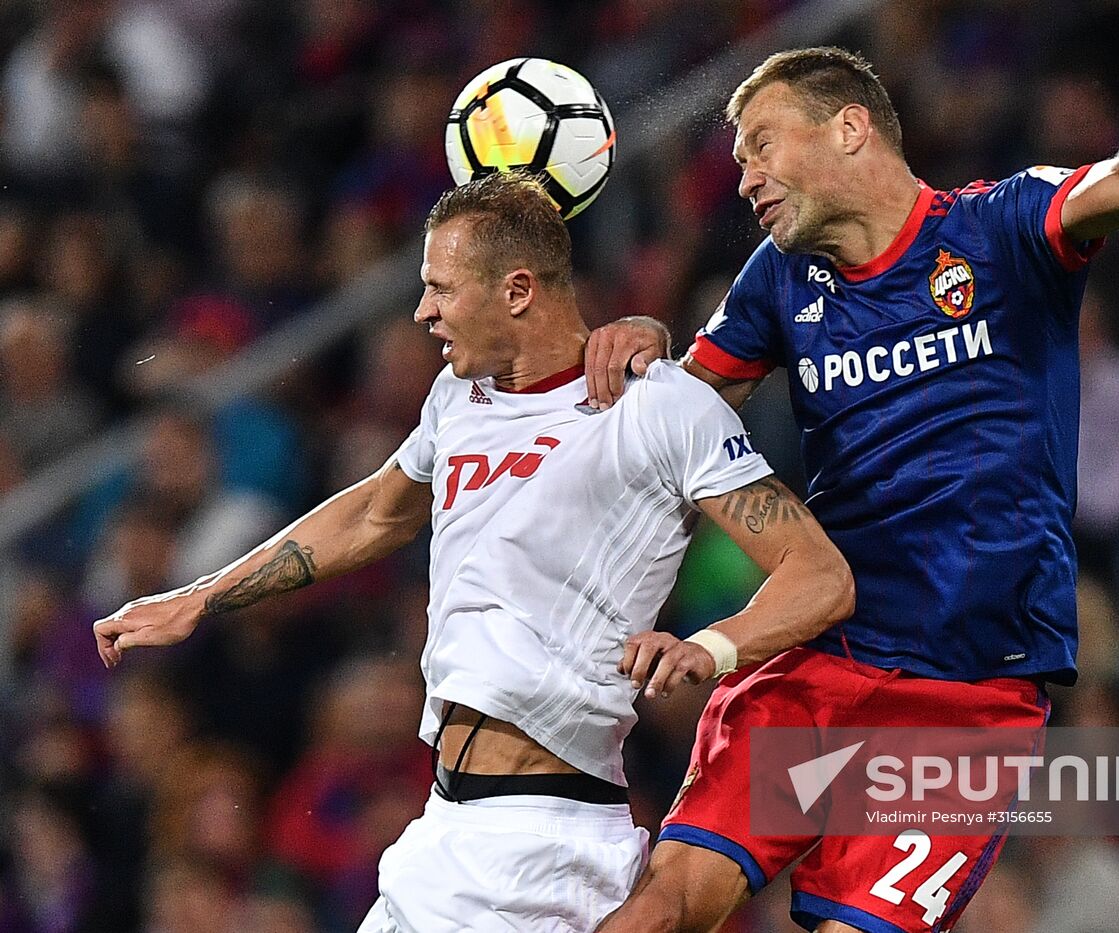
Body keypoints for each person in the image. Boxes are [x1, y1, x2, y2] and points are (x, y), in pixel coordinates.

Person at [587, 47, 1119, 933]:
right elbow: (674, 423)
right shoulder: (781, 279)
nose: (742, 176)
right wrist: (649, 354)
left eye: (760, 145)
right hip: (823, 662)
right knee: (665, 906)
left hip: (966, 702)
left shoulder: (1000, 228)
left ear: (850, 127)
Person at [93, 173, 854, 933]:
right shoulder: (457, 398)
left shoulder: (657, 408)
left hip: (540, 848)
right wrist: (199, 597)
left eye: (440, 289)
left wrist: (711, 647)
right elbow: (372, 512)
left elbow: (819, 575)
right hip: (442, 829)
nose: (423, 310)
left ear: (517, 289)